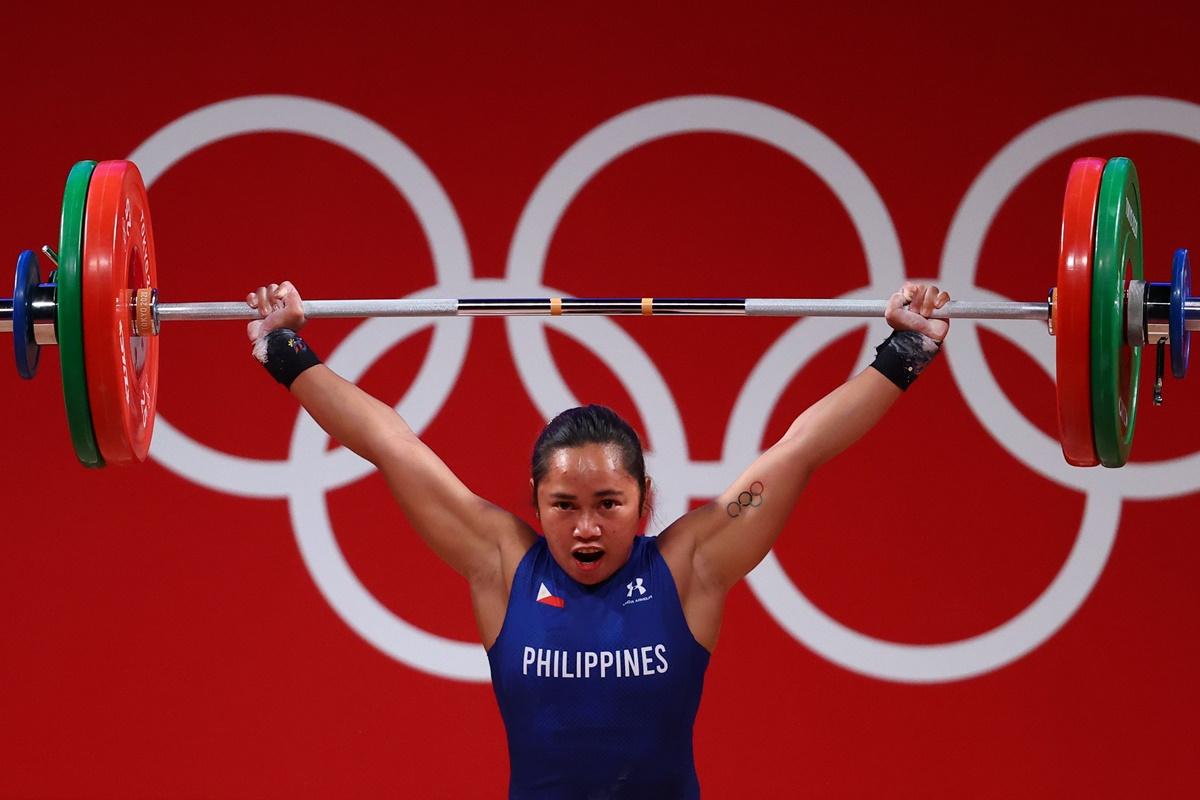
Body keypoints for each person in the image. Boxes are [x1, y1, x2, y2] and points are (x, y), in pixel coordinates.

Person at [246, 281, 950, 799]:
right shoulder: (500, 562)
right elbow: (387, 441)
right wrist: (286, 349)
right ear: (536, 506)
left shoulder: (691, 567)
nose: (586, 526)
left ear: (646, 502)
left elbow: (800, 449)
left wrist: (906, 349)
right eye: (564, 506)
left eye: (609, 504)